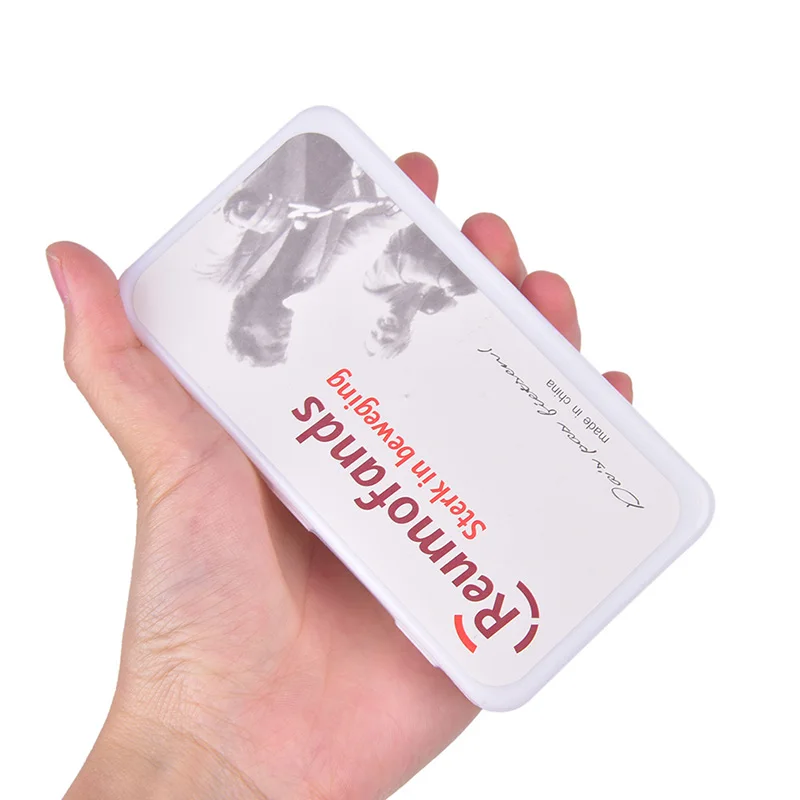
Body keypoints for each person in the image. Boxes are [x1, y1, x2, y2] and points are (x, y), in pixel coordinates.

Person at [47, 152, 633, 800]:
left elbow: (319, 205)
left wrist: (202, 744)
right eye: (281, 340)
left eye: (270, 336)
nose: (282, 329)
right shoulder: (346, 304)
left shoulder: (271, 277)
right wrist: (212, 750)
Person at [211, 133, 400, 367]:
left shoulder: (230, 274)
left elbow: (225, 210)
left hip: (296, 138)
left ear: (245, 329)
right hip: (345, 155)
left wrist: (236, 212)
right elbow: (353, 234)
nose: (285, 338)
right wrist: (397, 209)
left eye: (274, 345)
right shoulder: (310, 280)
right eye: (285, 344)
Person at [363, 223, 478, 358]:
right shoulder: (435, 305)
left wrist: (447, 280)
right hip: (471, 237)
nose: (382, 331)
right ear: (406, 339)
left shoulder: (374, 287)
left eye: (374, 333)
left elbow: (406, 265)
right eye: (387, 340)